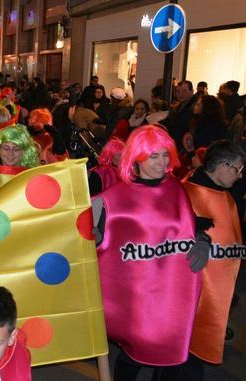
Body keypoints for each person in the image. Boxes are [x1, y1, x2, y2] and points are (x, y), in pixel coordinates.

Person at [92, 125, 209, 380]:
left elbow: (188, 226)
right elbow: (90, 234)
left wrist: (202, 239)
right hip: (137, 296)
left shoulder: (176, 189)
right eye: (153, 156)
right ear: (137, 157)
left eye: (165, 154)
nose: (162, 162)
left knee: (169, 354)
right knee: (135, 353)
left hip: (173, 290)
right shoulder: (115, 197)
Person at [181, 140, 245, 380]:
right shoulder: (188, 192)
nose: (239, 176)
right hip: (193, 290)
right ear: (222, 166)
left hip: (216, 288)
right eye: (238, 169)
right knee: (186, 353)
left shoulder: (224, 194)